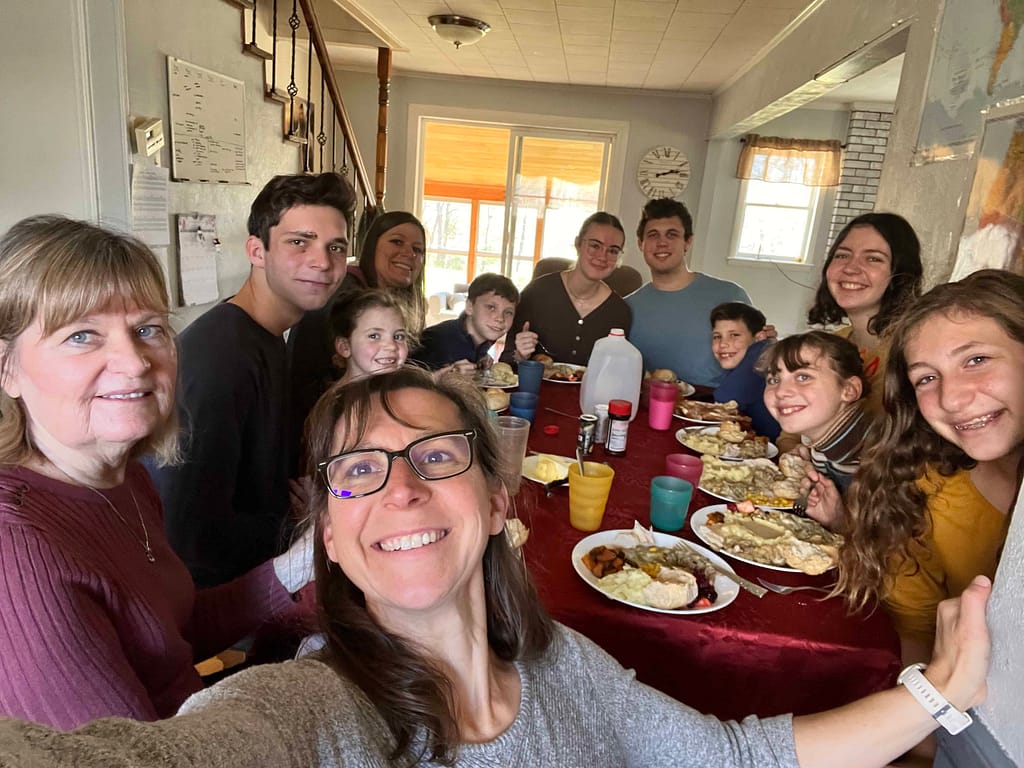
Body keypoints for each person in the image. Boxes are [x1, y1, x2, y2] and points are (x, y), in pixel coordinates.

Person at [0, 366, 996, 767]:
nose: (399, 487)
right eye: (360, 471)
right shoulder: (308, 715)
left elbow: (740, 759)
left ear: (496, 505)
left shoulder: (569, 670)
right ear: (329, 541)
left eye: (435, 457)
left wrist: (940, 691)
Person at [0, 216, 312, 729]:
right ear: (8, 369)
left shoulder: (125, 479)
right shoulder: (19, 551)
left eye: (147, 330)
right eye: (82, 336)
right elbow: (121, 759)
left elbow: (172, 633)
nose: (134, 361)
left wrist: (301, 563)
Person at [148, 172, 355, 588]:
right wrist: (296, 524)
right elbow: (191, 536)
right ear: (256, 251)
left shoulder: (269, 337)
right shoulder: (219, 360)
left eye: (336, 247)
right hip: (220, 603)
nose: (323, 261)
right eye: (300, 242)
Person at [837, 269, 1019, 666]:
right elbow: (917, 642)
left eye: (976, 360)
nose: (951, 399)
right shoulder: (925, 491)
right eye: (927, 378)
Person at [287, 211, 428, 442]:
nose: (408, 254)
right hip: (317, 425)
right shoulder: (349, 295)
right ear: (372, 246)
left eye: (417, 249)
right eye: (396, 241)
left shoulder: (384, 301)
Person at [626, 198, 752, 388]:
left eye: (671, 235)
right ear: (640, 244)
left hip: (717, 409)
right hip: (650, 405)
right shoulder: (627, 307)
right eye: (653, 235)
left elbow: (756, 361)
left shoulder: (730, 295)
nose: (662, 243)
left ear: (687, 242)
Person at [806, 212, 923, 399]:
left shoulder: (913, 349)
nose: (850, 268)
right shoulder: (834, 344)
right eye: (842, 255)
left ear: (901, 272)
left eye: (873, 258)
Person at [502, 211, 632, 366]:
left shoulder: (620, 312)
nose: (602, 256)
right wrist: (519, 356)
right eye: (595, 246)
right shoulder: (537, 292)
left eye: (613, 251)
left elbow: (618, 372)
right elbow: (505, 360)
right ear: (578, 244)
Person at [761, 332, 872, 494]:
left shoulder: (865, 449)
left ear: (849, 390)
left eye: (803, 377)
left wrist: (838, 518)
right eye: (774, 380)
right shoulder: (821, 437)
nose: (781, 391)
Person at [415, 272, 518, 374]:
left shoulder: (485, 336)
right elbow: (407, 380)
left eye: (508, 312)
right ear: (469, 307)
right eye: (491, 307)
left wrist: (481, 358)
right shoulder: (435, 340)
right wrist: (446, 376)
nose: (500, 318)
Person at [710, 302, 780, 440]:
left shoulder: (760, 352)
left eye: (734, 335)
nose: (723, 344)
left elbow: (725, 402)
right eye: (717, 336)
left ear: (759, 338)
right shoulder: (756, 353)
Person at [329, 289, 410, 386]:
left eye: (398, 336)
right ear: (345, 347)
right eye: (374, 336)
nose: (392, 346)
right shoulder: (339, 399)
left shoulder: (403, 392)